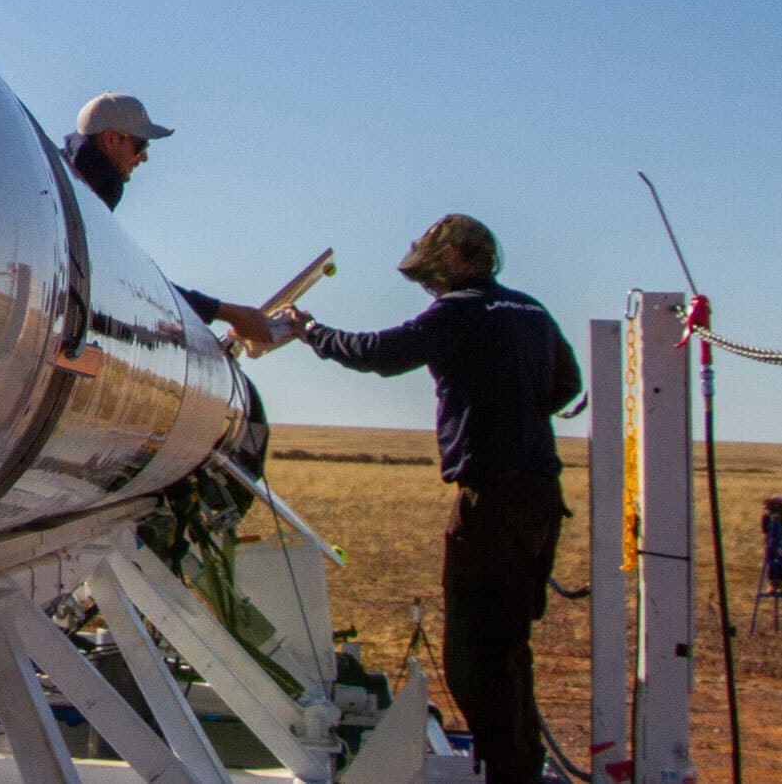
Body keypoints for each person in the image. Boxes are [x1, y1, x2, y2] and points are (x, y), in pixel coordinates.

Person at [275, 214, 580, 784]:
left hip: (490, 504)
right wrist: (512, 405)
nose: (430, 284)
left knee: (474, 659)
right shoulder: (532, 311)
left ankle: (509, 772)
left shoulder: (459, 311)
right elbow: (568, 385)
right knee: (509, 645)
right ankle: (518, 765)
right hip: (540, 498)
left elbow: (380, 353)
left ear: (455, 260)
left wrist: (309, 330)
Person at [66, 92, 278, 350]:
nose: (144, 157)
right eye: (140, 145)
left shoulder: (72, 189)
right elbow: (130, 286)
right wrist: (231, 314)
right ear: (111, 139)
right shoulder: (78, 202)